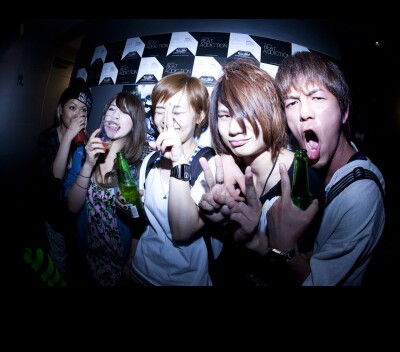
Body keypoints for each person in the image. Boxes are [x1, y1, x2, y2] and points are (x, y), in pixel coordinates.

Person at [219, 52, 385, 286]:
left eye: (317, 98)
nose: (304, 113)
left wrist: (284, 248)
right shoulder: (302, 162)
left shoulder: (359, 195)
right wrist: (225, 159)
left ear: (344, 112)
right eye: (292, 102)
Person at [197, 59, 325, 286]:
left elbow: (310, 274)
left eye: (246, 113)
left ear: (271, 110)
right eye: (225, 115)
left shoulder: (304, 183)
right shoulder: (229, 171)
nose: (234, 129)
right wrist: (220, 223)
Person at [129, 72, 222, 286]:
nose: (167, 119)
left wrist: (178, 160)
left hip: (187, 279)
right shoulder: (150, 161)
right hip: (141, 271)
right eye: (160, 110)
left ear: (199, 116)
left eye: (177, 111)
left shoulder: (209, 165)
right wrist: (132, 205)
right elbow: (146, 222)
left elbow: (181, 232)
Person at [67, 91, 146, 286]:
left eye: (124, 112)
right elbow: (72, 207)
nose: (115, 115)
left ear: (135, 124)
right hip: (85, 256)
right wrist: (88, 164)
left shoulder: (136, 171)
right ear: (104, 116)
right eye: (112, 109)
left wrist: (131, 259)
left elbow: (138, 226)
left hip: (119, 265)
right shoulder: (82, 154)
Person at [37, 77, 92, 283]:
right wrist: (68, 136)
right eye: (72, 107)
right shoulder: (47, 138)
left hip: (75, 221)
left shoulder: (84, 144)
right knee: (58, 267)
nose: (78, 114)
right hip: (53, 217)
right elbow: (55, 179)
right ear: (60, 110)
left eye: (84, 110)